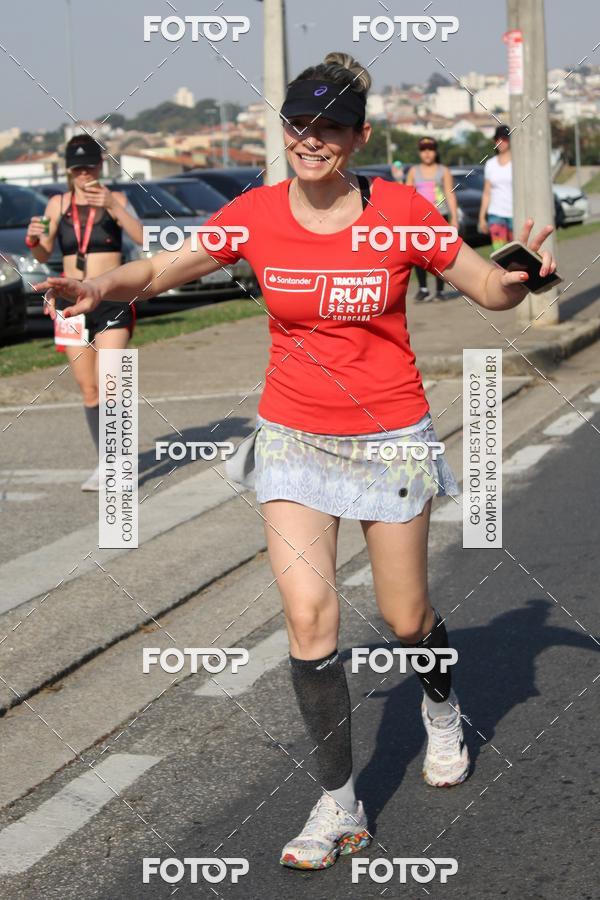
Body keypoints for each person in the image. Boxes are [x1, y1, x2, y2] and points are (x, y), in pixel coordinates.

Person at [36, 51, 557, 872]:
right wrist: (102, 291)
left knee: (406, 618)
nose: (312, 140)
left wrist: (522, 277)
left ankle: (441, 708)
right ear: (283, 129)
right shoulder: (255, 214)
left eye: (331, 127)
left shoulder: (401, 213)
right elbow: (163, 267)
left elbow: (487, 288)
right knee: (310, 619)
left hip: (388, 435)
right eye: (298, 125)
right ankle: (339, 802)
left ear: (358, 137)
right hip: (292, 437)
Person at [26, 134, 143, 491]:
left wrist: (113, 207)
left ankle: (120, 464)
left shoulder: (116, 199)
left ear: (100, 165)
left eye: (89, 166)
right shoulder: (57, 204)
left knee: (111, 383)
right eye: (77, 169)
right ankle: (106, 462)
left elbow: (142, 238)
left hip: (111, 299)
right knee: (89, 389)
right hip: (70, 302)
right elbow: (43, 253)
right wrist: (34, 239)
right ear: (68, 171)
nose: (84, 174)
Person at [405, 136, 459, 301]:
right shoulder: (414, 171)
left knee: (439, 254)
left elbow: (449, 194)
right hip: (418, 219)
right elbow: (407, 195)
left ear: (435, 151)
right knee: (419, 254)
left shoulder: (443, 171)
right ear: (419, 152)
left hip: (439, 216)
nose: (427, 153)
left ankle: (440, 290)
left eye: (430, 149)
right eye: (423, 150)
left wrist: (454, 219)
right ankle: (423, 288)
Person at [479, 124, 513, 251]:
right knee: (500, 252)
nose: (501, 142)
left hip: (514, 213)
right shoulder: (490, 164)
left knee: (517, 251)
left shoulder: (517, 162)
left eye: (504, 139)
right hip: (496, 214)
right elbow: (487, 192)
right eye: (498, 139)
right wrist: (482, 217)